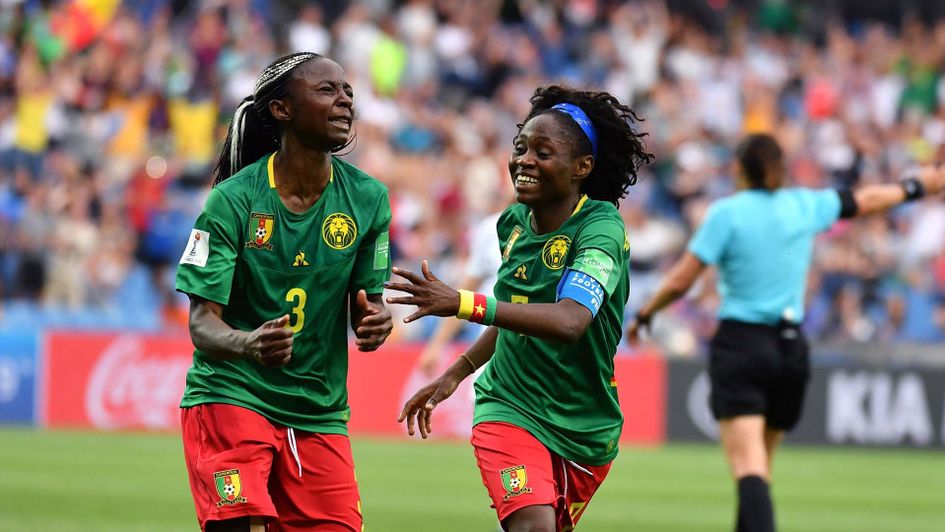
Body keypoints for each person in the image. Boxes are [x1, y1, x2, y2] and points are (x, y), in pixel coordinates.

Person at [626, 133, 945, 532]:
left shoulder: (727, 213)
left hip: (741, 344)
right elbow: (866, 200)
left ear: (739, 169)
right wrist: (916, 186)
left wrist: (644, 315)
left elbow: (680, 280)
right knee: (760, 470)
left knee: (748, 468)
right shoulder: (803, 204)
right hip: (791, 350)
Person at [387, 85, 653, 531]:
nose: (524, 160)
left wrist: (462, 303)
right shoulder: (512, 223)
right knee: (533, 526)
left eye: (543, 152)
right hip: (507, 406)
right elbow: (515, 312)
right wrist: (458, 372)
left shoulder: (601, 229)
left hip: (584, 428)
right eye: (520, 148)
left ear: (582, 167)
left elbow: (570, 321)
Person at [175, 52, 393, 532]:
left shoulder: (369, 199)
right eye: (327, 90)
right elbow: (201, 322)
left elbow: (367, 307)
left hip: (318, 409)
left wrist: (374, 321)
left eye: (348, 92)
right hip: (234, 393)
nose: (345, 102)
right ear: (282, 110)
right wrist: (248, 343)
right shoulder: (232, 200)